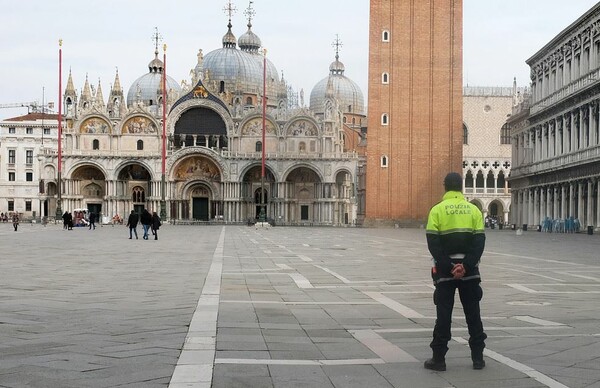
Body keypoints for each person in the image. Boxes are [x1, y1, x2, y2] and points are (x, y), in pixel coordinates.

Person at [424, 172, 487, 371]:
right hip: (469, 272)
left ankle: (439, 359)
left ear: (445, 186)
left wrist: (450, 267)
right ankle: (478, 358)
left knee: (443, 315)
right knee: (473, 314)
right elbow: (479, 243)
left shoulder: (437, 210)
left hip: (444, 272)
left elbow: (433, 244)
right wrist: (465, 266)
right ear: (461, 187)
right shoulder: (474, 210)